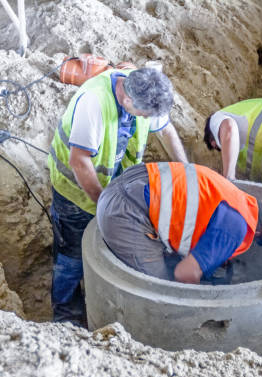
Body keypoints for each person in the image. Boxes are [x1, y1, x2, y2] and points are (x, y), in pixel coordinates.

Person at [47, 67, 188, 326]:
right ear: (127, 100)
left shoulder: (142, 87)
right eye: (143, 115)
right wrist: (106, 206)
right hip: (75, 193)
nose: (146, 119)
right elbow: (79, 161)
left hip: (112, 184)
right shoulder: (94, 103)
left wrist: (187, 171)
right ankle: (65, 312)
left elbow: (166, 131)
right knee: (72, 255)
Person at [96, 162, 262, 283]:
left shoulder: (235, 196)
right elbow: (184, 274)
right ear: (260, 234)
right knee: (161, 290)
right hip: (126, 212)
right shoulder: (236, 228)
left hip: (130, 179)